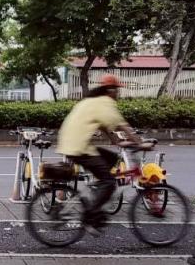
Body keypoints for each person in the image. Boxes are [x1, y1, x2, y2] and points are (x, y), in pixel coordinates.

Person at [56, 74, 150, 230]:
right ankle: (92, 215)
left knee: (113, 158)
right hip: (79, 147)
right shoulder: (105, 102)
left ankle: (98, 187)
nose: (118, 94)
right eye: (117, 91)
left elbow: (105, 126)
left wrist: (117, 141)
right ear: (111, 90)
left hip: (72, 143)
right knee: (110, 182)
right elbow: (122, 125)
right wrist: (140, 143)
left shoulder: (92, 101)